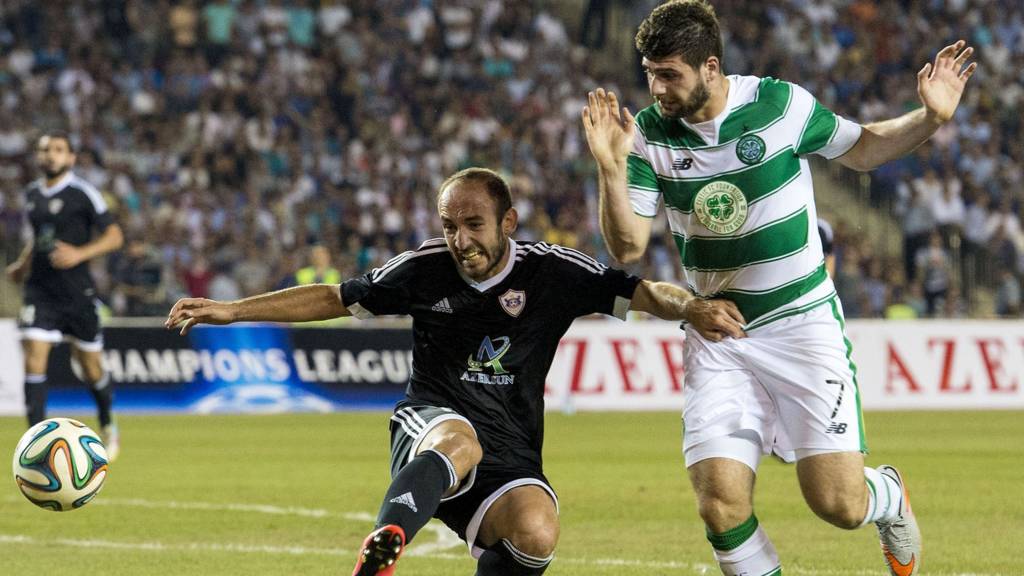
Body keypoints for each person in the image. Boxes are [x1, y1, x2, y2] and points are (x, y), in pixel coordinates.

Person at [165, 167, 745, 576]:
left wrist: (691, 306)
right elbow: (334, 298)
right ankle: (384, 546)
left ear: (508, 221)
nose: (460, 240)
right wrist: (233, 311)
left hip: (511, 446)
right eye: (449, 225)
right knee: (458, 439)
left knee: (538, 533)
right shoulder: (424, 268)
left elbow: (642, 290)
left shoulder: (554, 272)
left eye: (473, 224)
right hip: (431, 427)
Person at [581, 1, 976, 574]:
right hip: (720, 334)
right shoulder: (647, 135)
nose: (657, 87)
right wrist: (612, 170)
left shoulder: (779, 105)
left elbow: (862, 148)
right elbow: (627, 248)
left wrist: (930, 119)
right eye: (650, 73)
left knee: (837, 504)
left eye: (670, 74)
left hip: (801, 325)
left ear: (710, 68)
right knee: (719, 503)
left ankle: (885, 494)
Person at [5, 132, 124, 460]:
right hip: (40, 292)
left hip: (77, 293)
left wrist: (80, 253)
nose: (50, 155)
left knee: (91, 367)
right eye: (45, 150)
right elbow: (40, 237)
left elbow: (115, 237)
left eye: (57, 150)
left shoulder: (84, 194)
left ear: (71, 158)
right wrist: (23, 263)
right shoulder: (31, 194)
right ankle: (36, 443)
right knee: (34, 355)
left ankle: (108, 422)